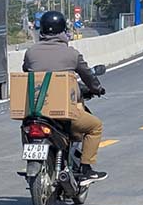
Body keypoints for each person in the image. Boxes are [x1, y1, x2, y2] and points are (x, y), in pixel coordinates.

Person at [22, 10, 108, 183]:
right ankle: (86, 168)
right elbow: (88, 76)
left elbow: (26, 70)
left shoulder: (30, 52)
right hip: (63, 113)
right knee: (95, 126)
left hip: (35, 111)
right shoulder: (72, 54)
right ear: (63, 31)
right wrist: (97, 89)